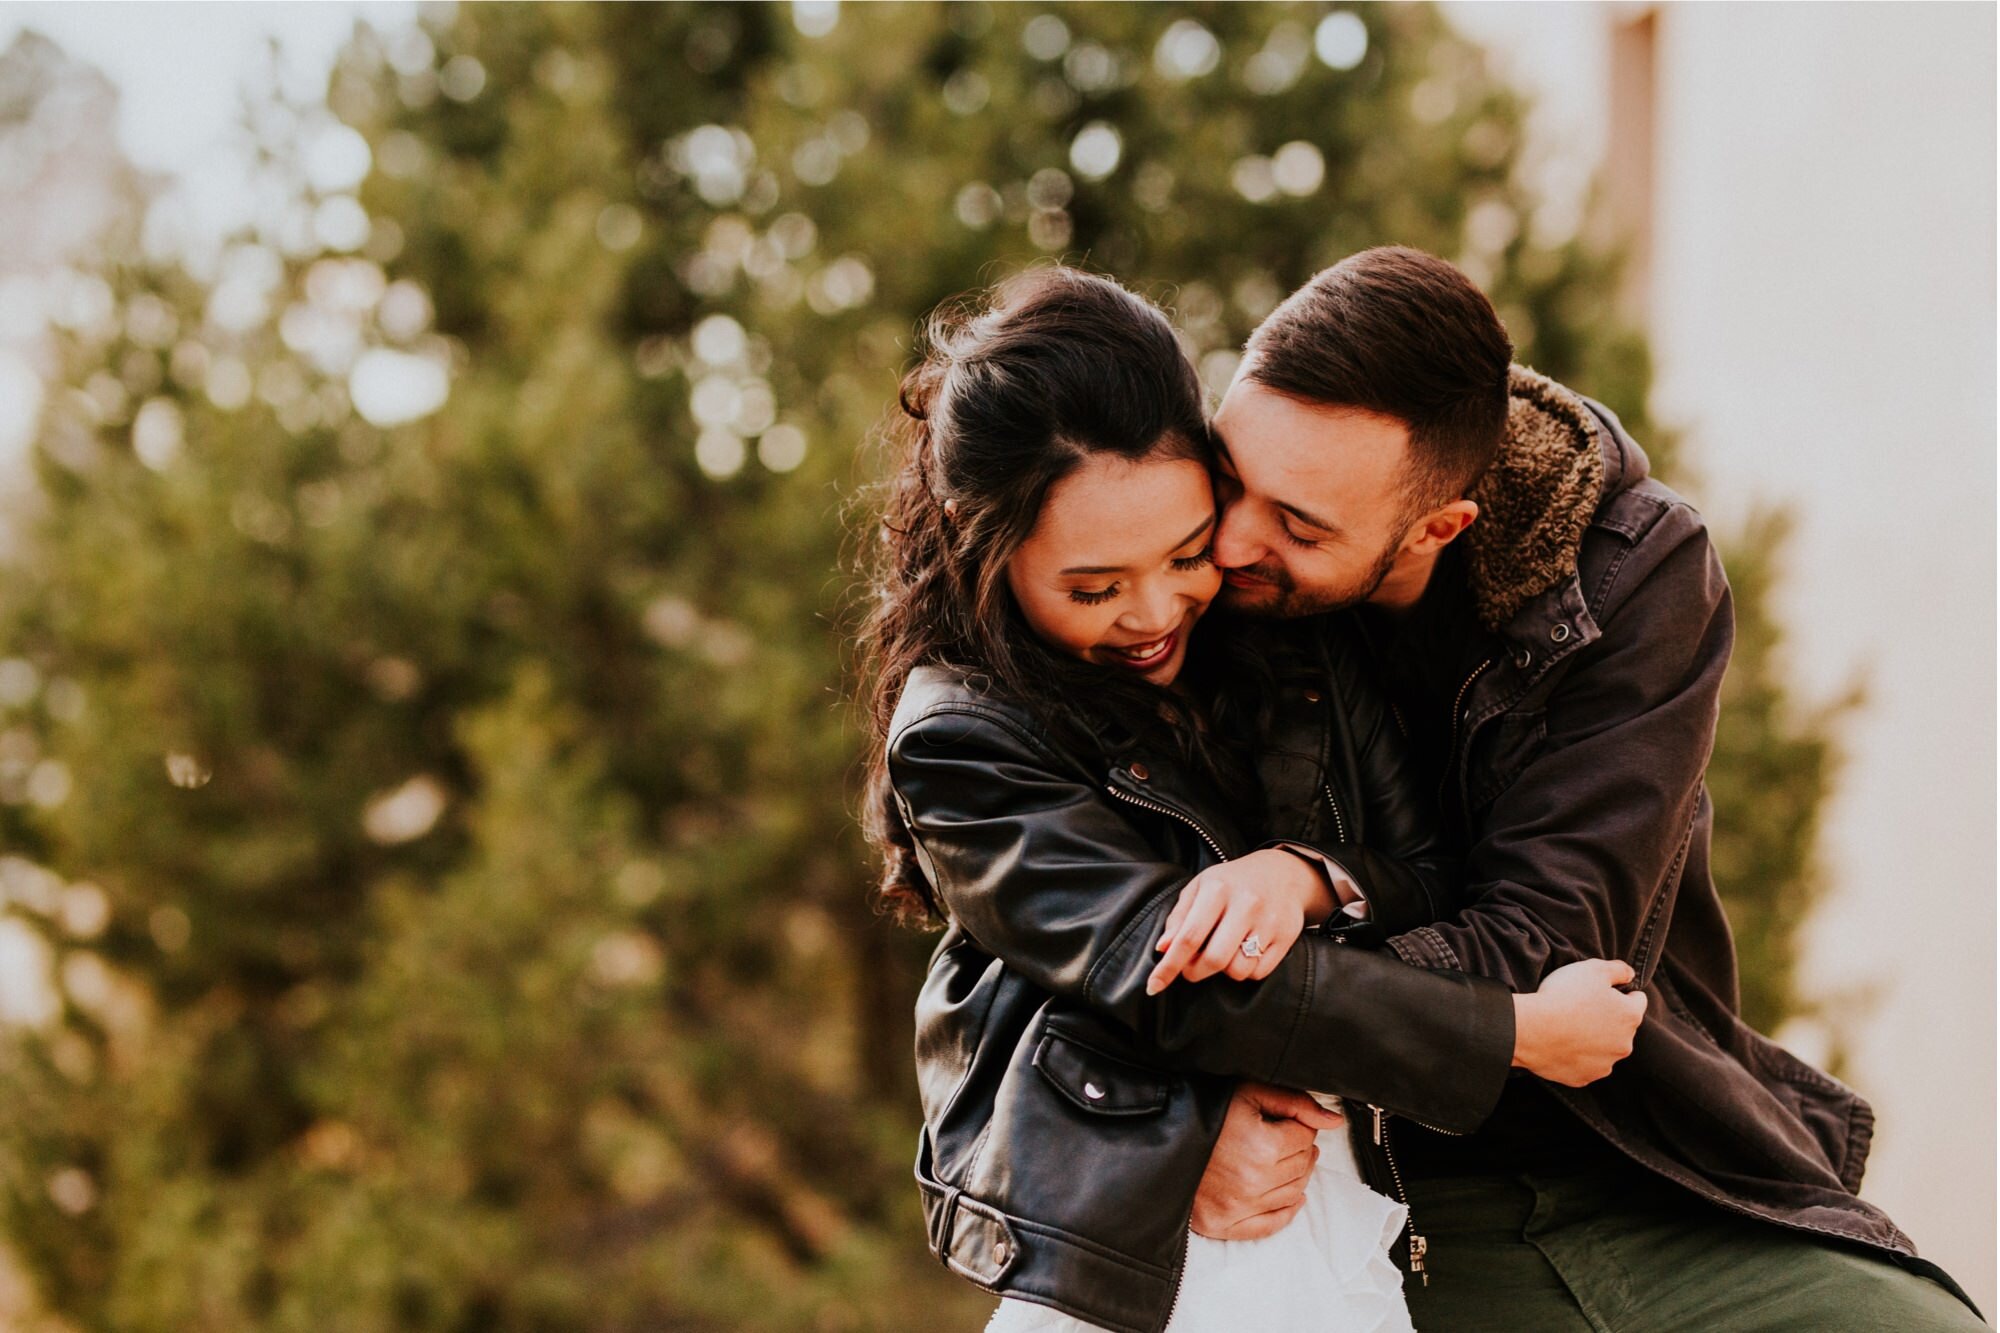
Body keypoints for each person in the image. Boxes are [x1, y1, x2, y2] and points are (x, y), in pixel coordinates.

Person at [1190, 244, 1983, 1327]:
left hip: (1620, 1149)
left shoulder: (1628, 575)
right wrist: (1173, 1126)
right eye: (1232, 478)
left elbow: (1545, 942)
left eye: (1298, 525)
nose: (1229, 543)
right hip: (1337, 1173)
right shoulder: (1164, 577)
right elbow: (1062, 926)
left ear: (1438, 527)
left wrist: (1293, 956)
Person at [858, 266, 1647, 1333]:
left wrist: (1306, 879)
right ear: (981, 543)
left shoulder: (1287, 642)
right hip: (1141, 1270)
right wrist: (1506, 1032)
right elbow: (1172, 975)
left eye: (1186, 552)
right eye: (1092, 587)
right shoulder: (961, 739)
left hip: (1330, 1209)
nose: (1155, 610)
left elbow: (1429, 872)